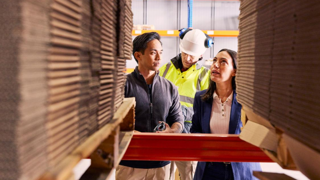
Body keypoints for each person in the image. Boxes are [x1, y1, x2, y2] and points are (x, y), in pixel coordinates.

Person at [116, 32, 184, 180]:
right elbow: (113, 122)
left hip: (162, 165)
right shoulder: (122, 86)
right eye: (153, 53)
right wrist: (137, 136)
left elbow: (177, 119)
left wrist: (172, 131)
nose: (159, 58)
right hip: (130, 163)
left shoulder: (170, 88)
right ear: (138, 55)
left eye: (160, 53)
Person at [190, 49, 261, 180]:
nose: (215, 65)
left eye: (223, 62)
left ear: (234, 71)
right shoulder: (201, 98)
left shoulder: (247, 100)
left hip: (241, 170)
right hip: (209, 170)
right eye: (214, 60)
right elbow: (195, 130)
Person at [159, 28, 212, 180]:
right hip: (165, 130)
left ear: (201, 55)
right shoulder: (166, 68)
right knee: (162, 174)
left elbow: (205, 109)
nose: (188, 58)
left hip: (188, 133)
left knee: (189, 174)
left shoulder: (204, 75)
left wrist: (178, 113)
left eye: (192, 55)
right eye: (185, 53)